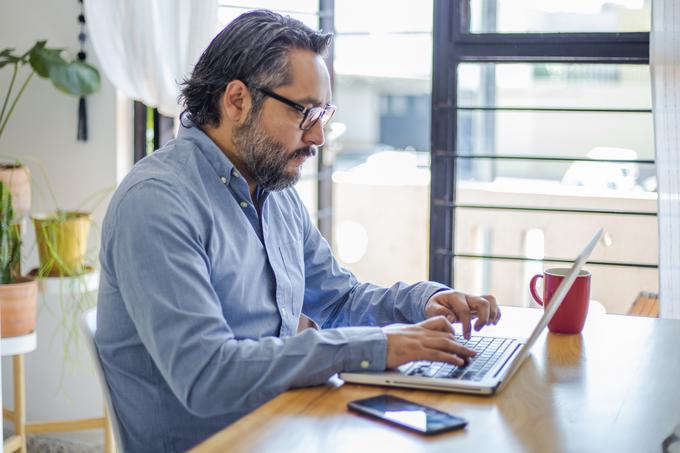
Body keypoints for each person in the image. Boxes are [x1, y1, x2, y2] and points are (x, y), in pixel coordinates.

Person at [96, 9, 500, 452]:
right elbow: (207, 374)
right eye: (305, 113)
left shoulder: (273, 191)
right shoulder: (158, 202)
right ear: (236, 101)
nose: (318, 137)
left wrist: (422, 302)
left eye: (323, 113)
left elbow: (340, 299)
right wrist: (377, 346)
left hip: (285, 426)